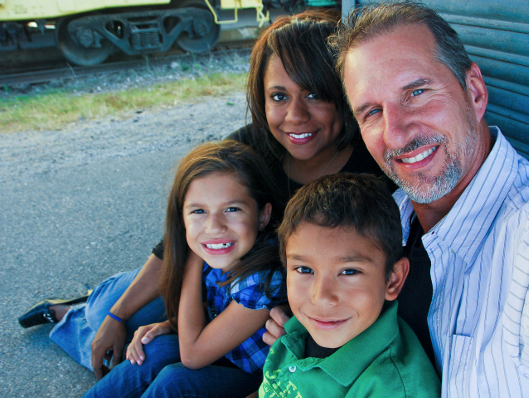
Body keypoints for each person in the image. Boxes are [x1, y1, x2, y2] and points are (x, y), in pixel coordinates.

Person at [18, 9, 397, 381]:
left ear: (344, 92)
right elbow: (175, 243)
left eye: (315, 93)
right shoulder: (251, 146)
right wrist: (117, 317)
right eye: (279, 96)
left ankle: (82, 319)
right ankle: (84, 308)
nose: (295, 115)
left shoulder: (370, 173)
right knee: (107, 317)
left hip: (245, 305)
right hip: (207, 278)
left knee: (152, 350)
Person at [264, 2, 529, 397]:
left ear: (473, 91)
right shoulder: (386, 218)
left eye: (416, 92)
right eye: (371, 111)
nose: (397, 134)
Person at [82, 140, 287, 398]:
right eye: (199, 211)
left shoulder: (264, 278)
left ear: (262, 216)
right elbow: (214, 316)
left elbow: (193, 356)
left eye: (232, 209)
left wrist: (192, 258)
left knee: (176, 379)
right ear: (182, 218)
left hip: (259, 381)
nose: (214, 226)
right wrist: (168, 325)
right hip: (226, 356)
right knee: (154, 349)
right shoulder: (222, 255)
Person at [252, 173, 440, 397]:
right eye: (304, 270)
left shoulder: (391, 388)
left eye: (349, 271)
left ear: (393, 280)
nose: (321, 296)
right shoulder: (299, 329)